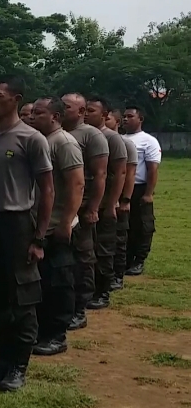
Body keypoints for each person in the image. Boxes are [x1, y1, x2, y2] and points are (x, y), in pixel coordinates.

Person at [0, 76, 53, 392]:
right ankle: (1, 361)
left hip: (17, 225)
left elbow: (47, 189)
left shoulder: (31, 139)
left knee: (22, 299)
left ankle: (19, 366)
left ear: (15, 99)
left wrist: (39, 237)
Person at [29, 98, 84, 357]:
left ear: (56, 117)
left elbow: (76, 184)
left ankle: (57, 335)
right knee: (43, 283)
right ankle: (41, 331)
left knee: (59, 282)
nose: (32, 117)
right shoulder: (41, 141)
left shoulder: (64, 143)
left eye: (39, 113)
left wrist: (66, 222)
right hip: (41, 225)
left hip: (57, 226)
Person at [61, 93, 108, 330]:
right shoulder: (55, 133)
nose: (61, 109)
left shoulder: (92, 135)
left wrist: (92, 208)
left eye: (66, 107)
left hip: (82, 204)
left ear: (80, 111)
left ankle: (80, 308)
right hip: (59, 206)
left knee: (82, 258)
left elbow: (100, 174)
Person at [84, 97, 127, 309]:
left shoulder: (112, 139)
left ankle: (102, 291)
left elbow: (120, 173)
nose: (86, 114)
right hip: (87, 201)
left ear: (104, 115)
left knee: (103, 249)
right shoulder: (83, 135)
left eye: (91, 111)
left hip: (104, 203)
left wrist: (112, 203)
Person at [122, 106, 161, 277]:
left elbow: (153, 169)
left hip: (139, 187)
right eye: (124, 116)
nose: (125, 119)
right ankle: (126, 259)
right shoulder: (119, 138)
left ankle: (139, 260)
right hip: (122, 187)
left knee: (142, 225)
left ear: (140, 119)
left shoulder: (148, 140)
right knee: (125, 224)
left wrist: (148, 193)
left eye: (130, 116)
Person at [107, 108, 138, 289]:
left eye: (109, 118)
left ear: (116, 122)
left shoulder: (125, 144)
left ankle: (117, 275)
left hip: (117, 199)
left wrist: (124, 199)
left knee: (118, 239)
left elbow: (129, 174)